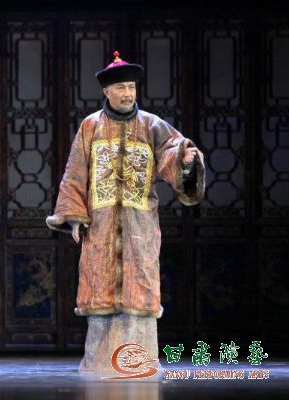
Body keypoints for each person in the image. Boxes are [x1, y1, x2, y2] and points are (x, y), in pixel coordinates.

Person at [46, 51, 205, 373]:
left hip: (139, 227)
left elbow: (173, 153)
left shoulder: (152, 125)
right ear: (107, 91)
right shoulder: (91, 126)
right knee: (100, 289)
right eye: (121, 88)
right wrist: (74, 217)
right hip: (101, 226)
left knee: (139, 290)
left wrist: (186, 161)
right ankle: (100, 363)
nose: (127, 93)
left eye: (131, 87)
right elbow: (75, 172)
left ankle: (139, 363)